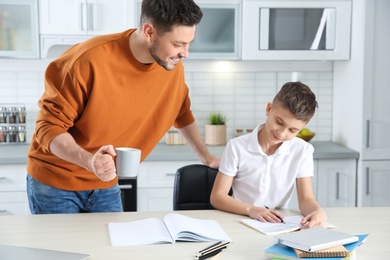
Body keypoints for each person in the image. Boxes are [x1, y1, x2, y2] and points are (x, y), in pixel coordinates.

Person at [26, 0, 220, 214]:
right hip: (55, 184)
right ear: (149, 32)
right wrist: (90, 162)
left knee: (111, 247)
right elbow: (48, 128)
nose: (185, 53)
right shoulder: (86, 61)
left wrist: (206, 157)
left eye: (188, 43)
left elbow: (181, 112)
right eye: (178, 44)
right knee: (63, 249)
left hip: (106, 182)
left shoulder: (171, 65)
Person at [210, 81, 327, 229]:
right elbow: (217, 197)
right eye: (279, 122)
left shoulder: (302, 150)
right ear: (269, 109)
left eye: (292, 130)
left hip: (276, 224)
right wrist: (251, 210)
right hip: (239, 219)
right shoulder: (236, 146)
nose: (282, 133)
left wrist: (318, 211)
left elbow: (306, 199)